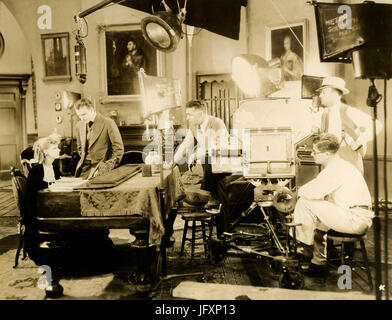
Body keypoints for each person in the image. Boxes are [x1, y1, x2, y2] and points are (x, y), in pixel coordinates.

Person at [291, 133, 374, 278]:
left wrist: (294, 193)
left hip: (354, 220)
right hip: (355, 216)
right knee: (318, 213)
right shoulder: (341, 165)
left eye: (315, 152)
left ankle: (305, 249)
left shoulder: (336, 169)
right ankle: (318, 262)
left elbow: (311, 191)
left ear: (327, 154)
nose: (312, 154)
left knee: (305, 201)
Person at [166, 100, 230, 208]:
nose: (187, 118)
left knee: (207, 157)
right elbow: (186, 145)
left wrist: (195, 155)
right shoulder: (194, 125)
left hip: (223, 161)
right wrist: (172, 162)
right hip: (209, 167)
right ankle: (210, 195)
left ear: (200, 114)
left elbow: (219, 148)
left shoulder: (216, 123)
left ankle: (213, 196)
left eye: (189, 115)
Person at [316, 76, 382, 174]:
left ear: (335, 94)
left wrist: (360, 141)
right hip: (330, 164)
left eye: (323, 92)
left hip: (348, 164)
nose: (320, 95)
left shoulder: (348, 111)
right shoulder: (324, 114)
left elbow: (377, 124)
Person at [74, 98, 124, 180]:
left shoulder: (108, 123)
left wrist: (107, 166)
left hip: (101, 168)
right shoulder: (79, 125)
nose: (81, 118)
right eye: (79, 115)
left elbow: (118, 149)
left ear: (92, 109)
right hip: (84, 169)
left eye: (84, 114)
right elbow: (80, 148)